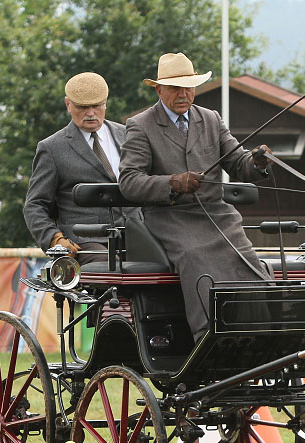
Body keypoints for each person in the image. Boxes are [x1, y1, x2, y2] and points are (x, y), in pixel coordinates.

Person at [119, 52, 273, 340]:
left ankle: (258, 334)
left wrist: (257, 163)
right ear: (159, 89)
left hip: (217, 216)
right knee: (197, 259)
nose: (183, 94)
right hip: (169, 218)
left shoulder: (211, 119)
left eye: (189, 86)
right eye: (175, 87)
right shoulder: (141, 125)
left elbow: (238, 163)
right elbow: (129, 182)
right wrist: (173, 183)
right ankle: (208, 336)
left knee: (250, 264)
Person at [23, 72, 141, 264]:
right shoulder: (51, 148)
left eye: (97, 105)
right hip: (85, 241)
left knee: (167, 268)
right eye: (83, 107)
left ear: (106, 103)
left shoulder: (128, 134)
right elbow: (35, 205)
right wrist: (54, 238)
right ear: (68, 104)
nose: (91, 113)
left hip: (137, 234)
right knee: (111, 270)